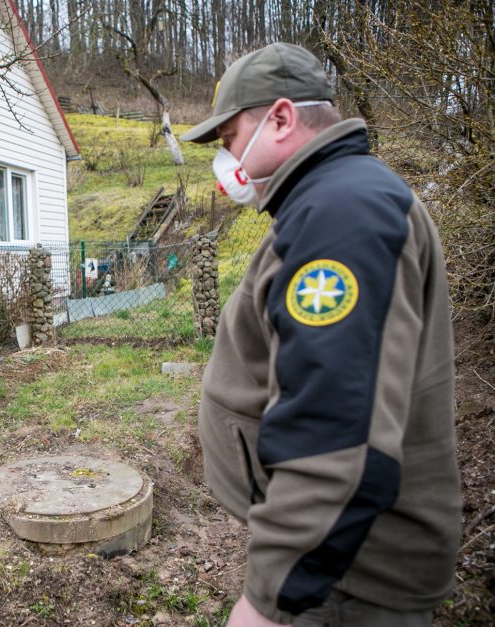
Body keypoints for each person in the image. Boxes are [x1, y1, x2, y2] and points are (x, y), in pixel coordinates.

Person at [179, 42, 460, 626]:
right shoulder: (339, 200)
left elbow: (336, 435)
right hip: (339, 563)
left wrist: (268, 596)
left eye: (229, 138)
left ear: (280, 118)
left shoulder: (341, 216)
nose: (226, 161)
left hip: (346, 581)